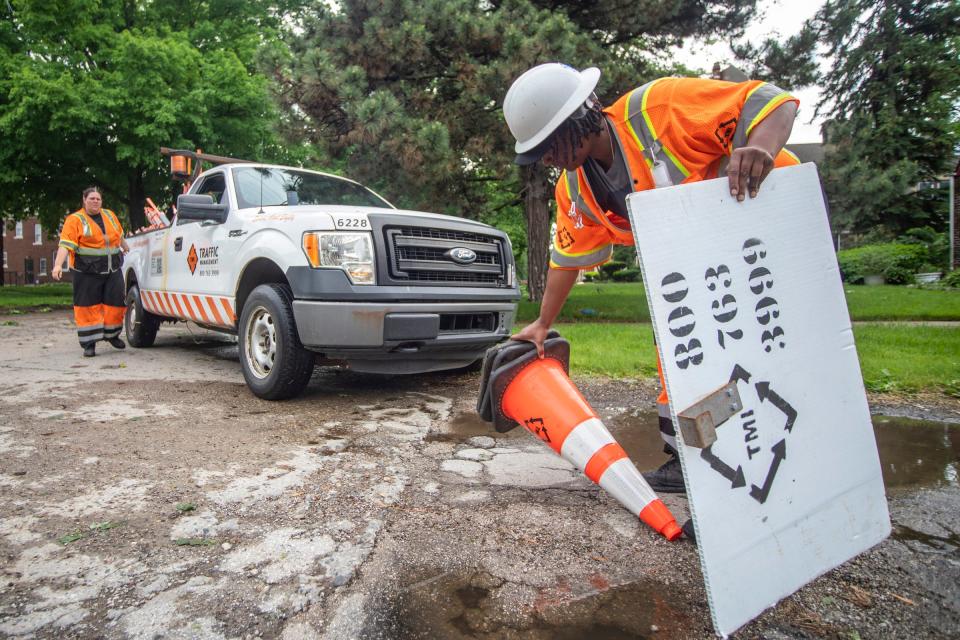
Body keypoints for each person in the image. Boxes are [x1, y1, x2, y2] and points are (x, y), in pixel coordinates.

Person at [502, 63, 799, 493]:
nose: (546, 159)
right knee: (680, 347)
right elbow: (566, 259)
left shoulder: (659, 109)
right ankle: (693, 461)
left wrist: (762, 148)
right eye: (538, 153)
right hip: (696, 266)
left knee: (764, 348)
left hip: (764, 232)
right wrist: (543, 323)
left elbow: (772, 102)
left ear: (581, 116)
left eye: (548, 145)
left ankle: (780, 459)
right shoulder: (577, 189)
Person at [52, 187, 131, 357]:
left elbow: (119, 234)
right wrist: (58, 265)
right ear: (84, 200)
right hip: (86, 271)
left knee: (116, 303)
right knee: (87, 307)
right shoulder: (74, 220)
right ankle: (89, 343)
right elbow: (65, 244)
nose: (96, 201)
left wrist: (125, 246)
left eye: (98, 199)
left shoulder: (109, 215)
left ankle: (112, 335)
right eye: (92, 198)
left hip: (112, 269)